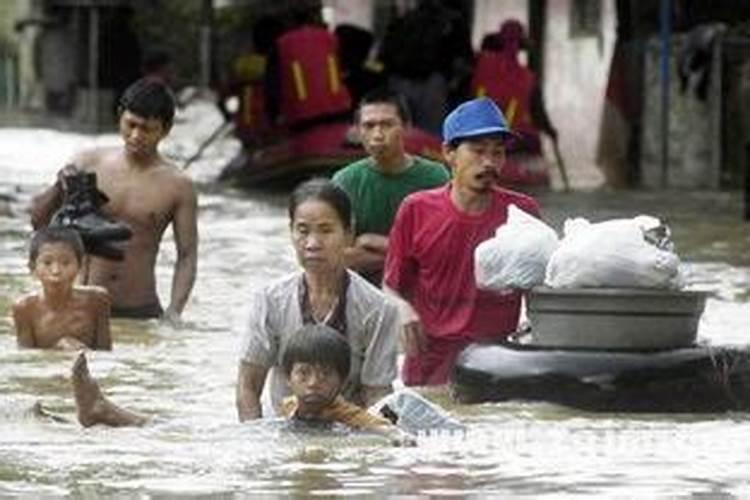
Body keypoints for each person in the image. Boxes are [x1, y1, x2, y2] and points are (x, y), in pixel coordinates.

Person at [383, 97, 541, 386]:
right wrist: (402, 310)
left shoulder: (523, 213)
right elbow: (391, 288)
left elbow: (540, 292)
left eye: (498, 152)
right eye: (478, 151)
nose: (489, 162)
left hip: (496, 367)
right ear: (449, 153)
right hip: (429, 369)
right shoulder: (416, 209)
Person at [29, 77, 198, 322]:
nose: (136, 135)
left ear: (166, 129)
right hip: (79, 306)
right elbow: (38, 223)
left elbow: (187, 255)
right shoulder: (88, 163)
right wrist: (58, 185)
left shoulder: (178, 186)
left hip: (140, 311)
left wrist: (174, 312)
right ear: (120, 116)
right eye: (131, 124)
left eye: (147, 129)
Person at [236, 178, 398, 421]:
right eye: (302, 231)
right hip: (284, 430)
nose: (312, 244)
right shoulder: (269, 300)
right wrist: (256, 442)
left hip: (349, 430)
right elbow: (248, 387)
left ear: (348, 233)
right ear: (290, 232)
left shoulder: (379, 309)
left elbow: (377, 395)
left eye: (325, 230)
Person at [332, 88, 450, 285]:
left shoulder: (436, 177)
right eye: (369, 126)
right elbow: (340, 258)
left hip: (421, 291)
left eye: (387, 125)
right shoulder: (345, 181)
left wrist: (371, 242)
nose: (377, 134)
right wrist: (407, 255)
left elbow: (441, 252)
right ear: (358, 131)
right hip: (363, 292)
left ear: (406, 127)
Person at [279, 323, 414, 445]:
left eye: (325, 374)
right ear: (288, 378)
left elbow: (387, 429)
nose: (313, 383)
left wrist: (399, 438)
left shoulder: (347, 415)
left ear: (342, 381)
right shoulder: (289, 405)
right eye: (304, 373)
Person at [12, 227, 112, 350]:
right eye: (47, 263)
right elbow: (28, 360)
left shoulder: (97, 300)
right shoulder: (24, 308)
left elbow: (105, 355)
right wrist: (57, 350)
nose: (56, 271)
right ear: (33, 267)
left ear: (80, 265)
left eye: (65, 263)